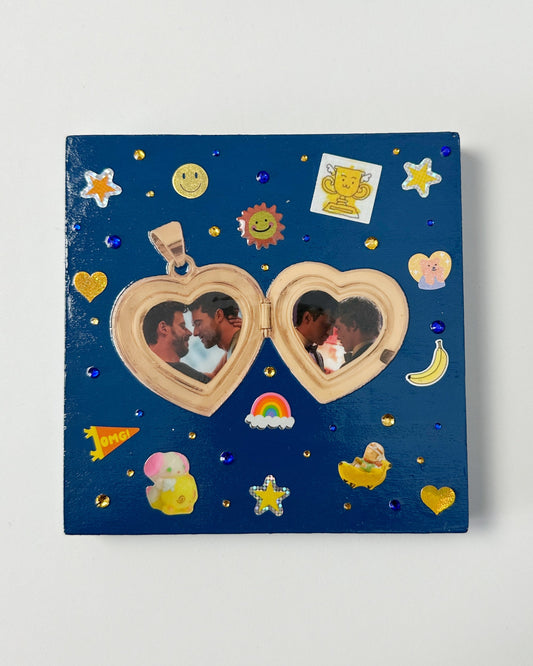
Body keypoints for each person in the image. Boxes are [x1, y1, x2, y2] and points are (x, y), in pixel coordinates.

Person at [143, 301, 210, 383]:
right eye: (182, 326)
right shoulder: (180, 372)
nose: (190, 333)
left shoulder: (145, 374)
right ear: (164, 328)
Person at [190, 293, 241, 376]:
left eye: (198, 324)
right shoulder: (234, 349)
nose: (195, 333)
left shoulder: (239, 351)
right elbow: (214, 376)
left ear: (219, 315)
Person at [294, 291, 337, 372]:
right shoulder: (281, 348)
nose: (330, 333)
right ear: (307, 318)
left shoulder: (318, 357)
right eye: (327, 324)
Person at [335, 297, 382, 366]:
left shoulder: (352, 366)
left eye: (339, 328)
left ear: (353, 325)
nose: (338, 337)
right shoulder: (383, 356)